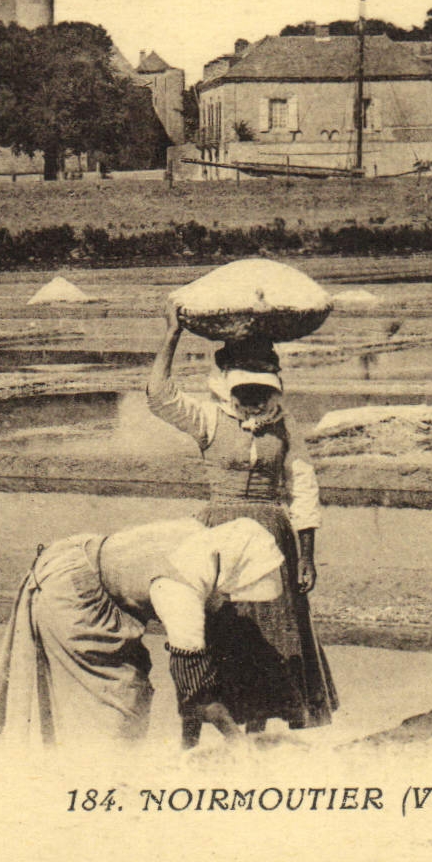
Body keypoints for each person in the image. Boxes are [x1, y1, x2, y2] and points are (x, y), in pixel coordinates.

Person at [145, 299, 338, 733]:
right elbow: (159, 397)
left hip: (272, 541)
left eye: (260, 389)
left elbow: (304, 487)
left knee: (274, 632)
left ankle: (260, 731)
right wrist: (172, 334)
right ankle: (212, 730)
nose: (253, 398)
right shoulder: (209, 419)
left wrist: (307, 556)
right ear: (228, 384)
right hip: (218, 537)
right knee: (219, 631)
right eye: (244, 389)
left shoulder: (284, 425)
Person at [0, 512, 285, 746]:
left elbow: (192, 687)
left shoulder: (201, 536)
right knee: (119, 701)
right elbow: (195, 691)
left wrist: (189, 744)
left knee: (127, 691)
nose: (232, 599)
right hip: (72, 592)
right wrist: (236, 743)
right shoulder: (180, 590)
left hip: (82, 560)